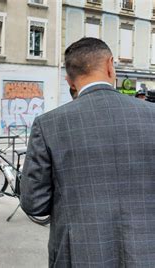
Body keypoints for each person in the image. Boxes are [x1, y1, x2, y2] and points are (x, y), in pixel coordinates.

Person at [20, 37, 155, 267]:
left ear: (69, 81)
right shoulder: (151, 116)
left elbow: (34, 203)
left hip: (79, 255)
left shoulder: (48, 124)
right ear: (111, 65)